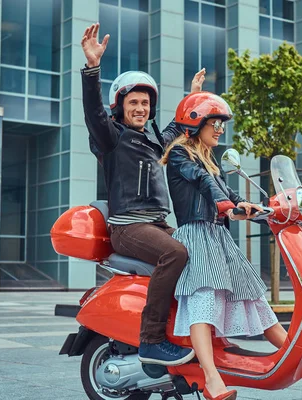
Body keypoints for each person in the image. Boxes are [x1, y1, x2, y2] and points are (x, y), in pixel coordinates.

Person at [80, 23, 206, 366]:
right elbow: (93, 113)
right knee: (176, 254)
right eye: (133, 102)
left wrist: (192, 96)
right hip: (128, 228)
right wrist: (92, 69)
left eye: (146, 103)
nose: (141, 108)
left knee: (204, 252)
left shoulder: (153, 142)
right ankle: (151, 340)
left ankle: (190, 332)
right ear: (120, 106)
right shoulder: (111, 137)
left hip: (155, 224)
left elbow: (178, 127)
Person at [160, 92, 289, 400]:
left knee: (255, 298)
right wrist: (225, 204)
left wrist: (258, 209)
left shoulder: (209, 158)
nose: (219, 129)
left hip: (217, 238)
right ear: (195, 124)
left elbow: (226, 192)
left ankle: (300, 357)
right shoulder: (181, 155)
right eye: (214, 123)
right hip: (196, 236)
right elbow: (205, 184)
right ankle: (211, 378)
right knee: (203, 305)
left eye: (221, 124)